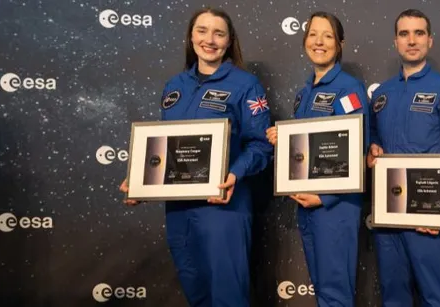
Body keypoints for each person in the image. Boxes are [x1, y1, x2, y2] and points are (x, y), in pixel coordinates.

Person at [119, 7, 272, 306]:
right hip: (179, 209)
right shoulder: (174, 86)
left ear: (229, 41)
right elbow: (164, 146)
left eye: (219, 33)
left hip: (223, 205)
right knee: (195, 290)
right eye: (202, 31)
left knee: (228, 296)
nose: (209, 40)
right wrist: (140, 180)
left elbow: (261, 145)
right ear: (191, 36)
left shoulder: (246, 85)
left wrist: (235, 174)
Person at [366, 9, 440, 307]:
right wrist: (373, 150)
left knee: (434, 297)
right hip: (389, 215)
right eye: (404, 34)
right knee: (393, 297)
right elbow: (374, 139)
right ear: (396, 41)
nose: (411, 40)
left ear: (430, 40)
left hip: (428, 216)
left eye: (419, 33)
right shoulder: (382, 94)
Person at [264, 11, 369, 307]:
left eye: (327, 35)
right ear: (304, 41)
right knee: (323, 289)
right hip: (307, 204)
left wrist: (325, 197)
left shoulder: (349, 88)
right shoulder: (304, 93)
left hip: (335, 206)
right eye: (312, 34)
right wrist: (283, 140)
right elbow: (308, 148)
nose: (319, 41)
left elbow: (358, 149)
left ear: (340, 44)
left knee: (335, 293)